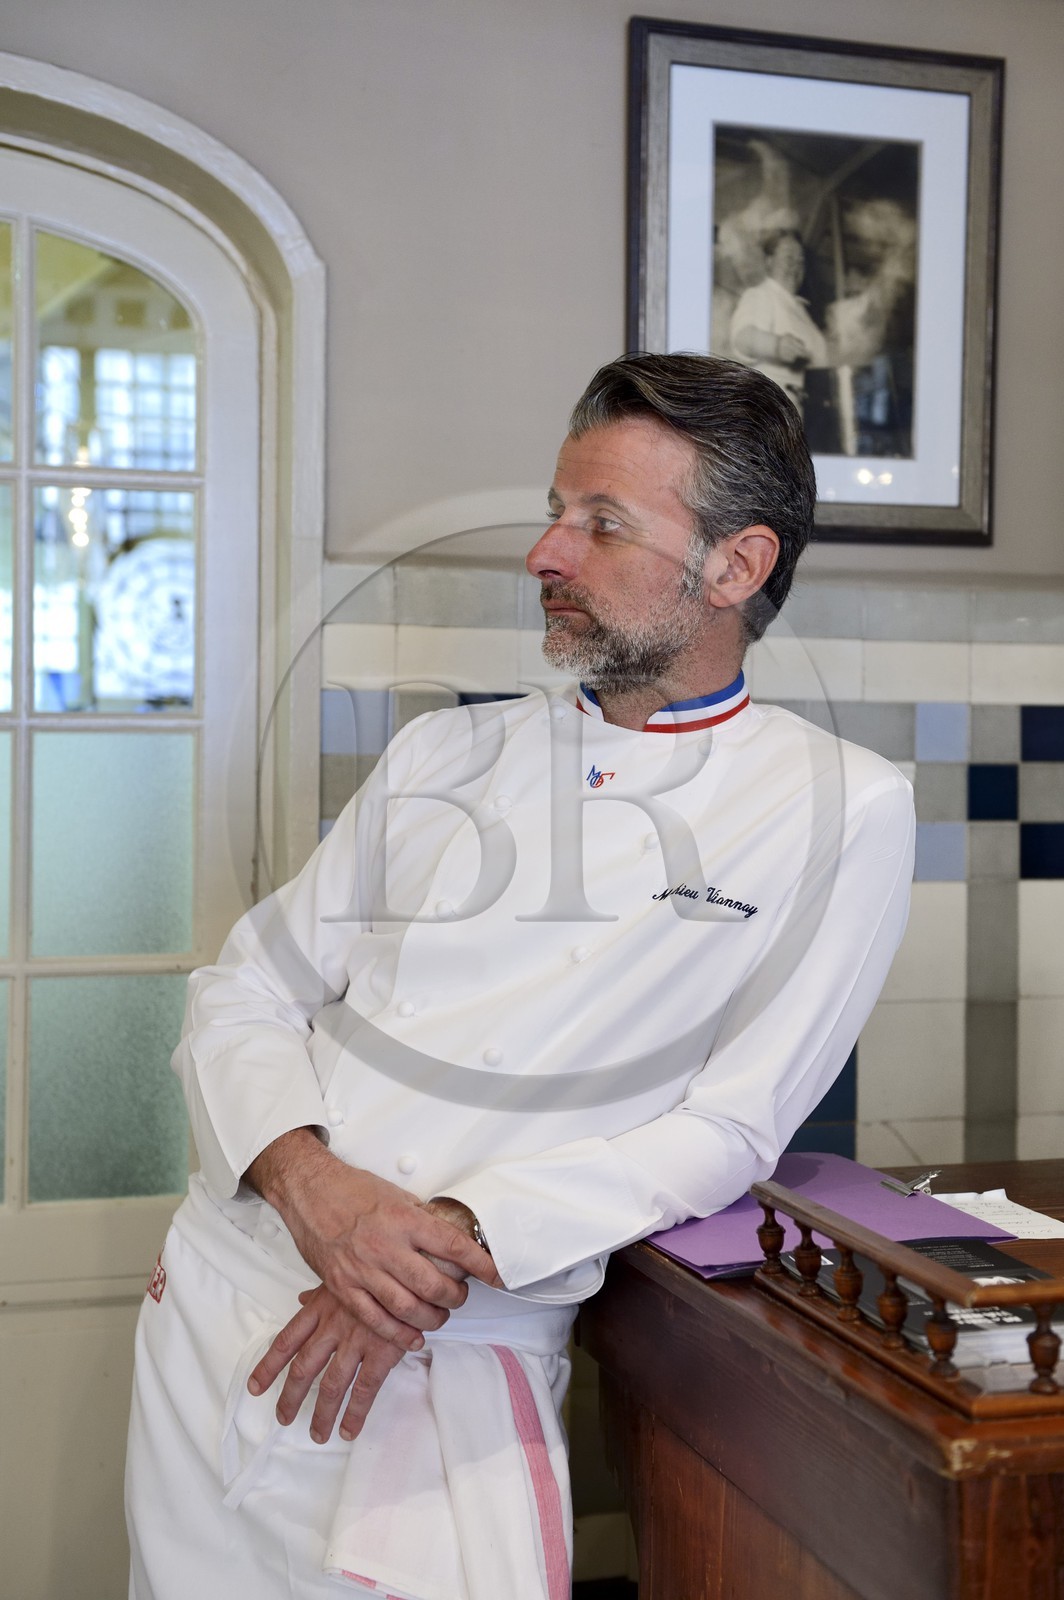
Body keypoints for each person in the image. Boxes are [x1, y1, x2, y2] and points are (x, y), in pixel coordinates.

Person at [125, 352, 914, 1600]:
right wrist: (316, 1193)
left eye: (600, 523)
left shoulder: (839, 809)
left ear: (736, 566)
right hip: (233, 1302)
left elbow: (729, 1124)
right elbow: (243, 991)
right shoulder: (445, 751)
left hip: (448, 1348)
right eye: (557, 512)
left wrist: (425, 1252)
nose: (545, 552)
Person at [730, 232, 828, 409]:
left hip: (811, 410)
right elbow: (743, 337)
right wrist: (776, 346)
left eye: (800, 260)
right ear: (769, 262)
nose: (795, 264)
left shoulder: (800, 307)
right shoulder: (761, 294)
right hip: (776, 409)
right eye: (788, 256)